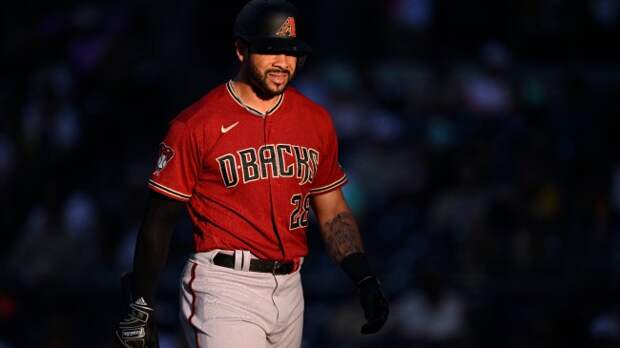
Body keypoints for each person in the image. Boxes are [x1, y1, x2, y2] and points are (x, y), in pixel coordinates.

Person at [114, 1, 389, 347]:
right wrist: (141, 305)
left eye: (290, 52)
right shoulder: (196, 124)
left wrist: (363, 276)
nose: (282, 62)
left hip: (291, 288)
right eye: (270, 49)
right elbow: (159, 220)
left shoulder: (315, 120)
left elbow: (331, 209)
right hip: (224, 285)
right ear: (241, 50)